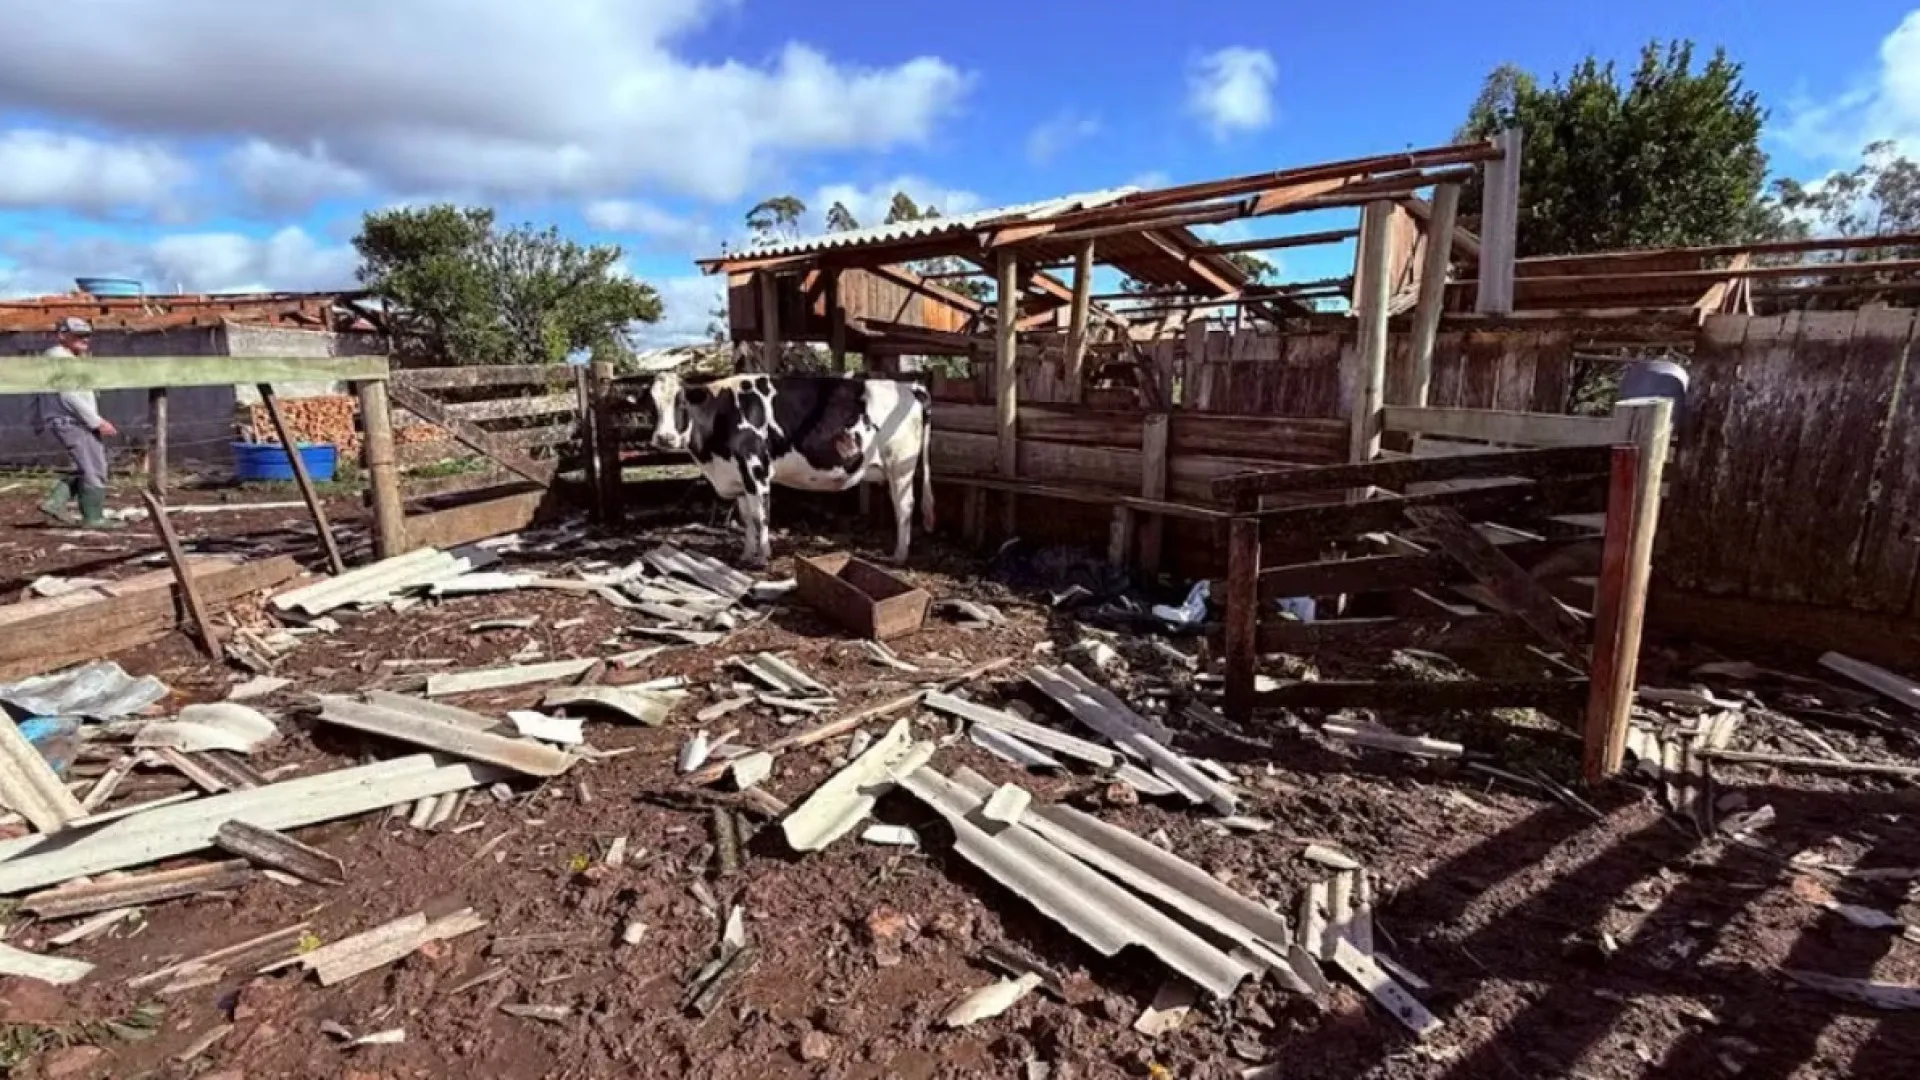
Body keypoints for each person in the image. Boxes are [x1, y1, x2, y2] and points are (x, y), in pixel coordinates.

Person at [32, 317, 120, 528]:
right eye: (79, 335)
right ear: (62, 335)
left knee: (87, 466)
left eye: (87, 335)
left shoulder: (61, 359)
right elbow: (69, 395)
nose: (85, 339)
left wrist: (37, 419)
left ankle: (55, 502)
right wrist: (96, 421)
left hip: (67, 420)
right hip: (73, 421)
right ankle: (93, 518)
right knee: (94, 469)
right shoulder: (62, 360)